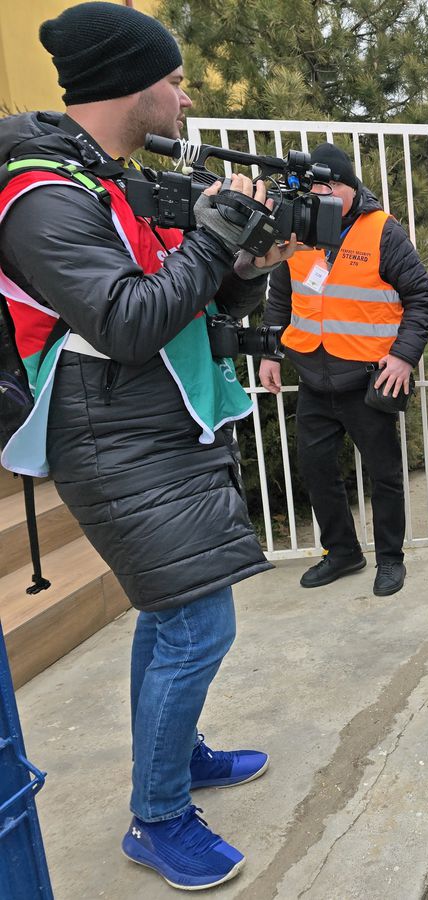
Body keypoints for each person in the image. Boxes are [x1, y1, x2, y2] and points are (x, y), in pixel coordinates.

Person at [0, 2, 298, 890]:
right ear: (132, 84)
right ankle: (158, 817)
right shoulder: (43, 196)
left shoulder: (109, 179)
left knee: (171, 612)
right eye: (172, 77)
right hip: (109, 429)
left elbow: (186, 299)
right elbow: (128, 321)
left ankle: (178, 757)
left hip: (156, 418)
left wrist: (245, 267)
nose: (183, 92)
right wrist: (214, 237)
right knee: (200, 619)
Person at [260, 143, 428, 597]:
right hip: (314, 377)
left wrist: (402, 356)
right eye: (316, 185)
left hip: (367, 379)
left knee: (384, 474)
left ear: (351, 188)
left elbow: (422, 297)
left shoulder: (383, 232)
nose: (322, 192)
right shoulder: (296, 229)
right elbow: (281, 294)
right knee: (316, 469)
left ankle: (390, 559)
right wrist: (269, 352)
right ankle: (342, 552)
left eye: (331, 184)